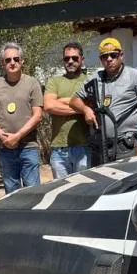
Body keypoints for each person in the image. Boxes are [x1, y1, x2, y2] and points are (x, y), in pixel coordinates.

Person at [70, 36, 137, 161]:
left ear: (121, 55)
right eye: (105, 56)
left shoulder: (136, 77)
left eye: (113, 55)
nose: (109, 59)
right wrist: (85, 110)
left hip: (126, 146)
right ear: (101, 59)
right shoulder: (95, 78)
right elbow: (74, 101)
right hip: (100, 147)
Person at [0, 41, 43, 193]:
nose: (12, 63)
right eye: (8, 60)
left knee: (33, 192)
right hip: (4, 149)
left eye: (16, 59)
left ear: (22, 61)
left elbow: (37, 115)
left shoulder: (32, 83)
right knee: (12, 192)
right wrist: (4, 138)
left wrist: (17, 136)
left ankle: (34, 218)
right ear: (3, 63)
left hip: (28, 147)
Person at [43, 42, 91, 179]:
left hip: (84, 147)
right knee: (62, 193)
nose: (70, 61)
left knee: (84, 191)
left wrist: (62, 100)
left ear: (82, 59)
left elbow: (92, 107)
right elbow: (49, 106)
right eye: (66, 58)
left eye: (75, 58)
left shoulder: (90, 81)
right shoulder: (54, 81)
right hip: (59, 149)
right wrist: (81, 107)